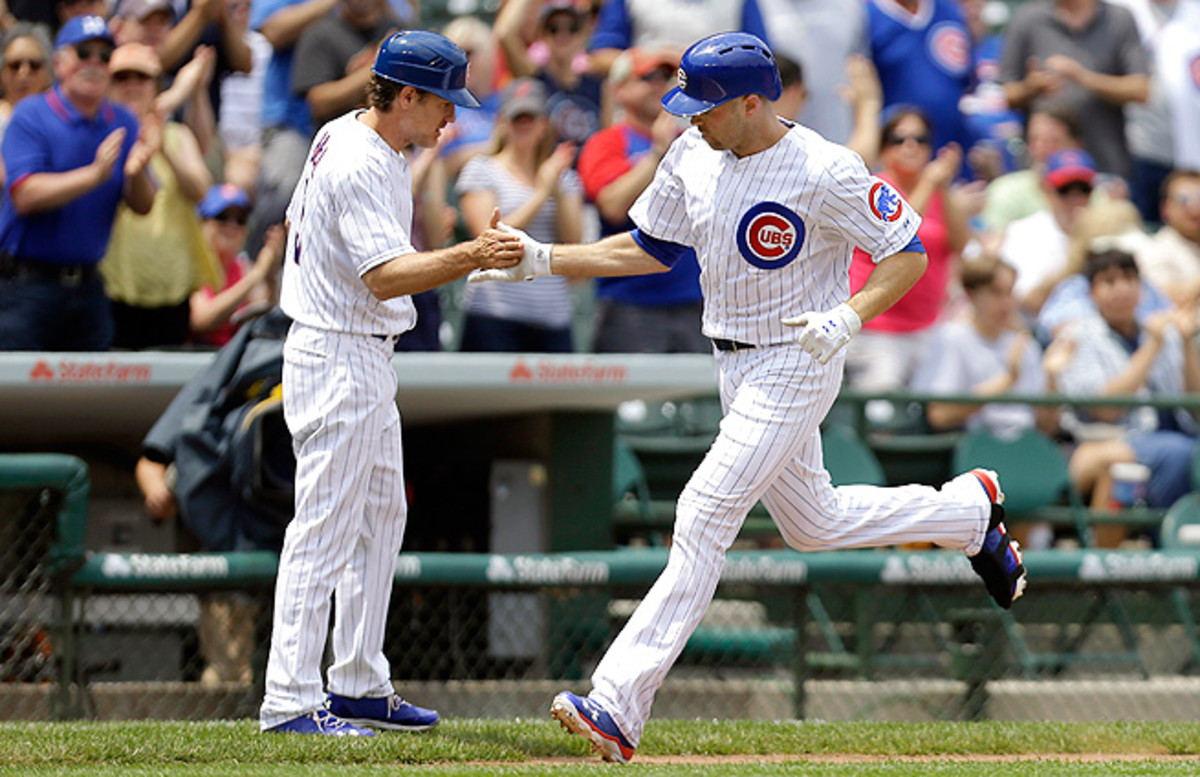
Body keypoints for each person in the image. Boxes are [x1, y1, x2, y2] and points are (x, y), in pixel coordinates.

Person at [470, 31, 1026, 762]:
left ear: (754, 102)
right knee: (814, 522)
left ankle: (617, 700)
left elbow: (908, 251)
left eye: (704, 105)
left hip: (799, 355)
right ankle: (967, 511)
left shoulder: (825, 167)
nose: (689, 117)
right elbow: (648, 248)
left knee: (702, 514)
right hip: (731, 360)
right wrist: (543, 259)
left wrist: (850, 314)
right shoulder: (692, 151)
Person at [259, 29, 526, 736]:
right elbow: (384, 275)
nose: (452, 119)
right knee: (324, 530)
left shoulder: (350, 133)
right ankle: (288, 698)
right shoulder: (357, 158)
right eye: (442, 103)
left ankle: (356, 681)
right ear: (405, 95)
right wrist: (472, 253)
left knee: (381, 517)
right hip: (338, 349)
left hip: (361, 350)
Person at [0, 15, 159, 352]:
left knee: (92, 401)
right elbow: (25, 195)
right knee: (20, 400)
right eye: (83, 52)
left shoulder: (123, 121)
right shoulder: (31, 115)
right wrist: (94, 175)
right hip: (28, 286)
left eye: (104, 56)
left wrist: (138, 173)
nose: (94, 63)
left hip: (88, 286)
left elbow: (143, 205)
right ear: (59, 63)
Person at [1053, 249, 1199, 545]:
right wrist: (1152, 346)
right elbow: (1106, 410)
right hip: (1105, 440)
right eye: (1110, 281)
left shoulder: (1167, 332)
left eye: (1130, 279)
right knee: (1178, 453)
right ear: (1093, 291)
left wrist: (1185, 343)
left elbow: (1195, 403)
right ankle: (1167, 545)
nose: (1122, 288)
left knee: (1181, 449)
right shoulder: (1078, 336)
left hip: (1174, 437)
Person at [577, 46, 707, 353]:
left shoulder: (701, 141)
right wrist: (658, 155)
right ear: (620, 89)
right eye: (649, 76)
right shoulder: (607, 142)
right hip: (631, 301)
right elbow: (613, 205)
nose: (661, 84)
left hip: (695, 299)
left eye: (670, 76)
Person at [845, 106, 969, 392]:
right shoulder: (875, 187)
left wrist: (944, 188)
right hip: (878, 330)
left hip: (928, 326)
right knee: (884, 410)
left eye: (920, 139)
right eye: (899, 140)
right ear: (884, 147)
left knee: (941, 407)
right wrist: (929, 183)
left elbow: (960, 243)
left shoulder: (938, 190)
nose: (910, 147)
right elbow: (898, 235)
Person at [101, 42, 215, 350]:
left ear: (156, 85)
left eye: (142, 77)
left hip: (170, 283)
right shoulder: (101, 133)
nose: (132, 85)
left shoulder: (178, 135)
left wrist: (160, 142)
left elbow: (201, 190)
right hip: (114, 283)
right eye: (122, 78)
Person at [455, 76, 583, 352]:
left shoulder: (564, 178)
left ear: (544, 125)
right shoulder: (482, 169)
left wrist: (556, 190)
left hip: (552, 315)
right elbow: (490, 238)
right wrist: (541, 193)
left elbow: (573, 242)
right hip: (495, 312)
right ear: (503, 123)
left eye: (532, 118)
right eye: (517, 118)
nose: (524, 126)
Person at [999, 0, 1149, 181]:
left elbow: (1141, 89)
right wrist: (1031, 88)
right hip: (1044, 169)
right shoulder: (1028, 18)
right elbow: (1006, 95)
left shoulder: (1118, 18)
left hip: (1105, 165)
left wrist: (1084, 78)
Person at [189, 183, 283, 348]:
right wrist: (256, 275)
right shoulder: (192, 265)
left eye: (240, 220)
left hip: (230, 360)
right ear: (203, 222)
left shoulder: (242, 267)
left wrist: (270, 278)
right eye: (222, 217)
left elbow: (267, 314)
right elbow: (201, 321)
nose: (232, 225)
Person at [1136, 168, 1200, 308]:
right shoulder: (1154, 249)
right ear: (1165, 208)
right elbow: (1165, 298)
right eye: (1184, 199)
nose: (1194, 207)